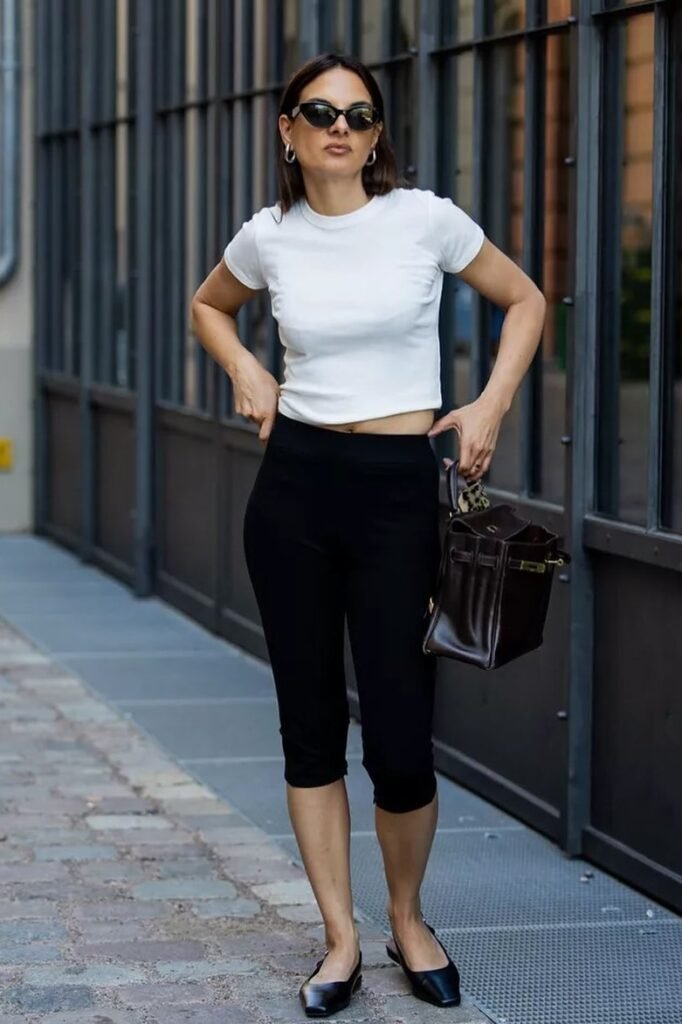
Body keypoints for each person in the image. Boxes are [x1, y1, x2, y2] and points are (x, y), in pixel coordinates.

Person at [190, 52, 546, 1019]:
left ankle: (409, 918)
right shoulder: (268, 237)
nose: (339, 126)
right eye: (319, 111)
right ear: (288, 132)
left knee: (399, 736)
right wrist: (247, 373)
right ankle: (341, 939)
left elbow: (526, 300)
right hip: (296, 491)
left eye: (358, 113)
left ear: (377, 135)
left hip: (397, 491)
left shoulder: (423, 220)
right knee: (309, 728)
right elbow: (209, 305)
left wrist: (487, 407)